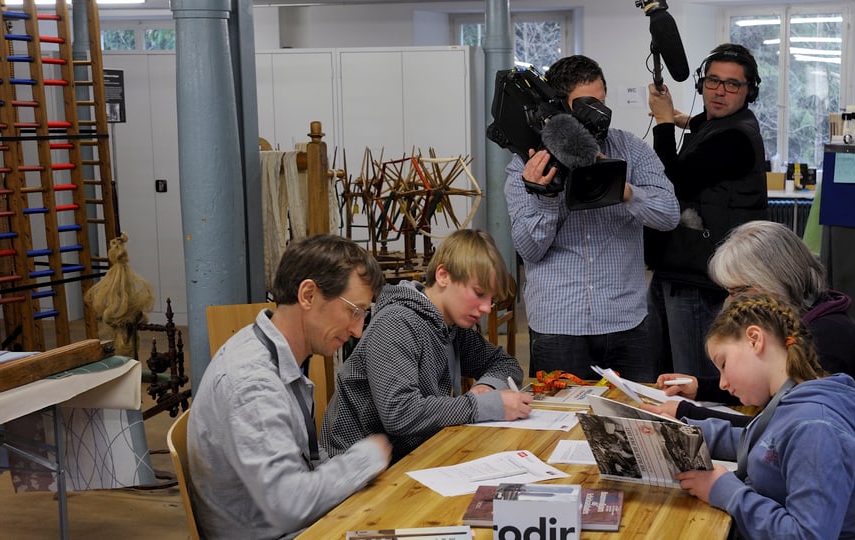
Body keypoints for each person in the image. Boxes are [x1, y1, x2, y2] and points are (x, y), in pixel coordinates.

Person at [647, 220, 855, 509]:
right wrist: (701, 388)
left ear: (772, 279)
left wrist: (688, 414)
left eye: (737, 291)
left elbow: (772, 430)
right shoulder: (812, 321)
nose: (729, 303)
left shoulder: (824, 343)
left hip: (843, 496)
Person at [187, 234, 393, 539]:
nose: (357, 329)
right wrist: (366, 458)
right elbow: (290, 504)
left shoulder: (264, 344)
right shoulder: (253, 384)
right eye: (354, 310)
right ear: (308, 295)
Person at [504, 54, 679, 382]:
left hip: (627, 324)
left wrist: (622, 189)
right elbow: (528, 250)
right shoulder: (526, 165)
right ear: (558, 108)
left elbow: (669, 214)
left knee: (633, 422)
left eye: (601, 102)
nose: (598, 114)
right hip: (558, 325)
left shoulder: (631, 150)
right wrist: (546, 197)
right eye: (585, 104)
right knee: (559, 427)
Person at [675, 293, 855, 539]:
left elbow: (807, 536)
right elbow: (760, 445)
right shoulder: (791, 402)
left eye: (723, 364)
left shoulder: (815, 428)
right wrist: (682, 431)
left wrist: (725, 490)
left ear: (754, 339)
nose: (722, 383)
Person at [321, 229, 532, 462]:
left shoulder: (452, 327)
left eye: (490, 299)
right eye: (479, 293)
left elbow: (505, 363)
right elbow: (400, 413)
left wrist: (488, 388)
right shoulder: (396, 323)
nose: (485, 308)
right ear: (443, 275)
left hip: (414, 457)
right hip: (357, 473)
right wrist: (481, 406)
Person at [644, 43, 768, 379]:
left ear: (749, 92)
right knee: (666, 372)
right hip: (683, 268)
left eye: (732, 84)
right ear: (701, 84)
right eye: (713, 81)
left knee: (690, 379)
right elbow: (706, 127)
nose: (720, 91)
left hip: (699, 279)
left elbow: (672, 180)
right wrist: (683, 119)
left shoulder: (735, 140)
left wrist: (664, 121)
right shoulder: (720, 126)